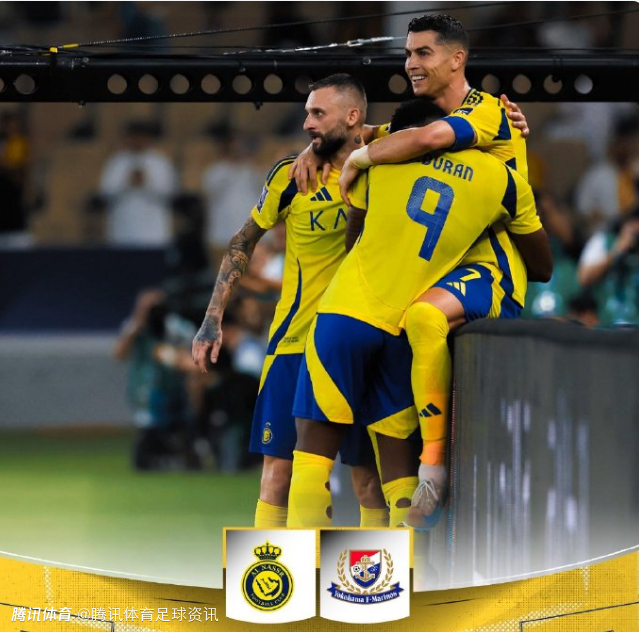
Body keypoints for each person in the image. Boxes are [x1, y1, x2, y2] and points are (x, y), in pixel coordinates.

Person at [289, 14, 547, 528]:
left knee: (320, 453)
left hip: (483, 271)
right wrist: (317, 145)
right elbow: (385, 134)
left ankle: (430, 474)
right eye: (408, 53)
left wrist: (358, 157)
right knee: (385, 458)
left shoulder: (487, 114)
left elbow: (423, 139)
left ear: (458, 59)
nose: (410, 63)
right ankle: (405, 554)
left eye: (423, 53)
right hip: (416, 292)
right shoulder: (408, 131)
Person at [192, 74, 389, 529]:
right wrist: (211, 319)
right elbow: (243, 240)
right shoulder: (291, 176)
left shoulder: (383, 168)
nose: (307, 123)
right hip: (295, 344)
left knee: (368, 481)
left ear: (352, 116)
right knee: (278, 474)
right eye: (306, 113)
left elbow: (422, 129)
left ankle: (371, 577)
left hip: (361, 345)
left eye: (318, 113)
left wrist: (361, 140)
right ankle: (276, 576)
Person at [99, 121, 177, 247]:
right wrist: (126, 182)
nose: (137, 141)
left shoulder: (160, 162)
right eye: (133, 137)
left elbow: (169, 193)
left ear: (148, 138)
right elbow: (105, 192)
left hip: (153, 231)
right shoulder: (116, 162)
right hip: (122, 228)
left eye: (140, 137)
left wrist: (147, 183)